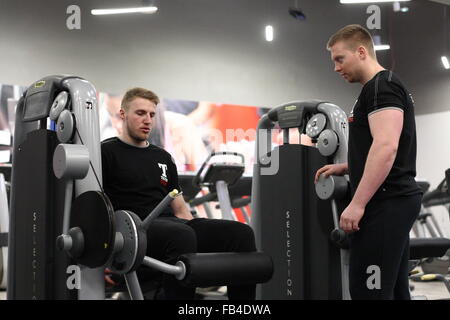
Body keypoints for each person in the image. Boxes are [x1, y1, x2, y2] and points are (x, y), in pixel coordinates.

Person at [101, 87, 257, 300]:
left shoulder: (163, 157)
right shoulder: (107, 152)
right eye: (140, 113)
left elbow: (181, 210)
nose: (147, 120)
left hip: (172, 226)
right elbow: (97, 208)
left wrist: (198, 229)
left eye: (151, 115)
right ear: (122, 114)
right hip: (136, 230)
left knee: (241, 234)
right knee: (181, 235)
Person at [315, 24, 422, 300]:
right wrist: (350, 165)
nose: (336, 68)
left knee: (367, 292)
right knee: (395, 291)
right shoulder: (378, 88)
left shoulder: (380, 88)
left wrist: (357, 203)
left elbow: (386, 147)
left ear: (361, 51)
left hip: (386, 203)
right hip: (392, 201)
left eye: (340, 59)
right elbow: (381, 146)